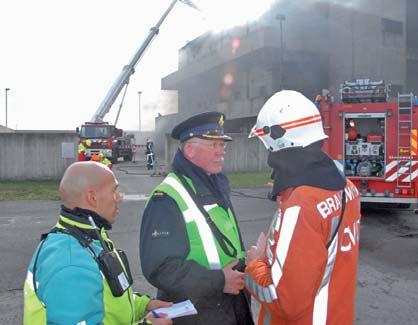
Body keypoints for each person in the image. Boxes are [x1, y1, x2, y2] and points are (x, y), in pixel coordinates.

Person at [246, 90, 361, 324]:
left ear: (277, 139)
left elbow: (283, 300)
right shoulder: (347, 188)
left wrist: (253, 265)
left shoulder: (301, 205)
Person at [23, 161, 172, 325]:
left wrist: (143, 306)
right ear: (92, 197)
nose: (119, 197)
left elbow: (107, 299)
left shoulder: (89, 237)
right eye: (114, 191)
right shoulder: (71, 264)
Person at [140, 112, 254, 324]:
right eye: (214, 146)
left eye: (223, 146)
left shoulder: (215, 186)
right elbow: (160, 267)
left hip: (230, 306)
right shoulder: (166, 198)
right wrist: (218, 281)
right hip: (197, 314)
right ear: (190, 150)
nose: (221, 152)